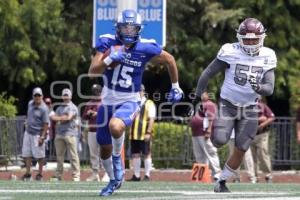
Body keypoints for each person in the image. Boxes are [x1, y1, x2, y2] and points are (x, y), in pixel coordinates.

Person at [89, 9, 183, 196]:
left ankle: (118, 161)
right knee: (103, 148)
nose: (129, 33)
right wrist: (109, 58)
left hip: (130, 99)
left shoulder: (145, 47)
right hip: (108, 100)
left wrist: (176, 86)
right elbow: (93, 71)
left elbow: (170, 60)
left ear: (139, 30)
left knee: (116, 127)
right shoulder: (107, 41)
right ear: (118, 28)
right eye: (126, 28)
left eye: (133, 29)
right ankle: (114, 180)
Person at [191, 18, 277, 192]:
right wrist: (198, 96)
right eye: (247, 39)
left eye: (255, 39)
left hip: (250, 108)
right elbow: (207, 73)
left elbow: (269, 88)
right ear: (239, 38)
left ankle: (221, 182)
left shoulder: (268, 55)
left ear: (262, 37)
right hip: (228, 105)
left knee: (241, 147)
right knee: (219, 140)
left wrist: (258, 87)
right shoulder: (230, 51)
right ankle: (226, 131)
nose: (251, 42)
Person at [50, 88, 81, 181]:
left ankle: (76, 175)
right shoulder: (59, 108)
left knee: (73, 156)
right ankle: (58, 175)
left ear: (70, 96)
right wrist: (61, 118)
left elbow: (68, 118)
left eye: (67, 95)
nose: (66, 97)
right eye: (64, 95)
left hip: (70, 133)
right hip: (59, 133)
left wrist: (59, 118)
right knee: (59, 156)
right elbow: (53, 118)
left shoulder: (73, 107)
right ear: (62, 96)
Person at [189, 92, 221, 181]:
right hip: (196, 133)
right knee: (199, 155)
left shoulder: (209, 104)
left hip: (204, 132)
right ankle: (203, 175)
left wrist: (209, 130)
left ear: (208, 95)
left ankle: (217, 173)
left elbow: (210, 117)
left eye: (204, 93)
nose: (202, 95)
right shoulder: (198, 104)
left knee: (210, 153)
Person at [128, 84, 156, 181]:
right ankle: (136, 175)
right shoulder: (132, 103)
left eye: (139, 91)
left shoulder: (149, 103)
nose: (138, 93)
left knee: (146, 153)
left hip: (144, 133)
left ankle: (147, 175)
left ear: (143, 92)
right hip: (134, 133)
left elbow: (151, 119)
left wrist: (148, 132)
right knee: (135, 154)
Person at [21, 87, 49, 181]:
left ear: (42, 96)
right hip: (28, 132)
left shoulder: (44, 109)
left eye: (39, 95)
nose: (37, 97)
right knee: (26, 153)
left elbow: (46, 124)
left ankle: (40, 174)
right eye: (35, 95)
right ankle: (28, 173)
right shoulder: (30, 103)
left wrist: (42, 136)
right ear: (33, 96)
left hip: (37, 134)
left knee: (39, 155)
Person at [82, 84, 108, 182]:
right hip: (92, 130)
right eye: (94, 92)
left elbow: (109, 115)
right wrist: (88, 113)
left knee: (104, 153)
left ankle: (107, 173)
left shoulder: (105, 103)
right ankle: (95, 173)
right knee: (93, 153)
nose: (96, 94)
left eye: (97, 92)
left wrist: (98, 113)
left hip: (103, 130)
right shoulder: (89, 103)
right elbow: (84, 117)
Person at [251, 98, 275, 183]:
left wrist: (262, 124)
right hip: (250, 134)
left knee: (263, 153)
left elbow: (271, 117)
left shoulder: (263, 106)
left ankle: (268, 175)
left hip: (262, 134)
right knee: (252, 157)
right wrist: (259, 119)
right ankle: (255, 176)